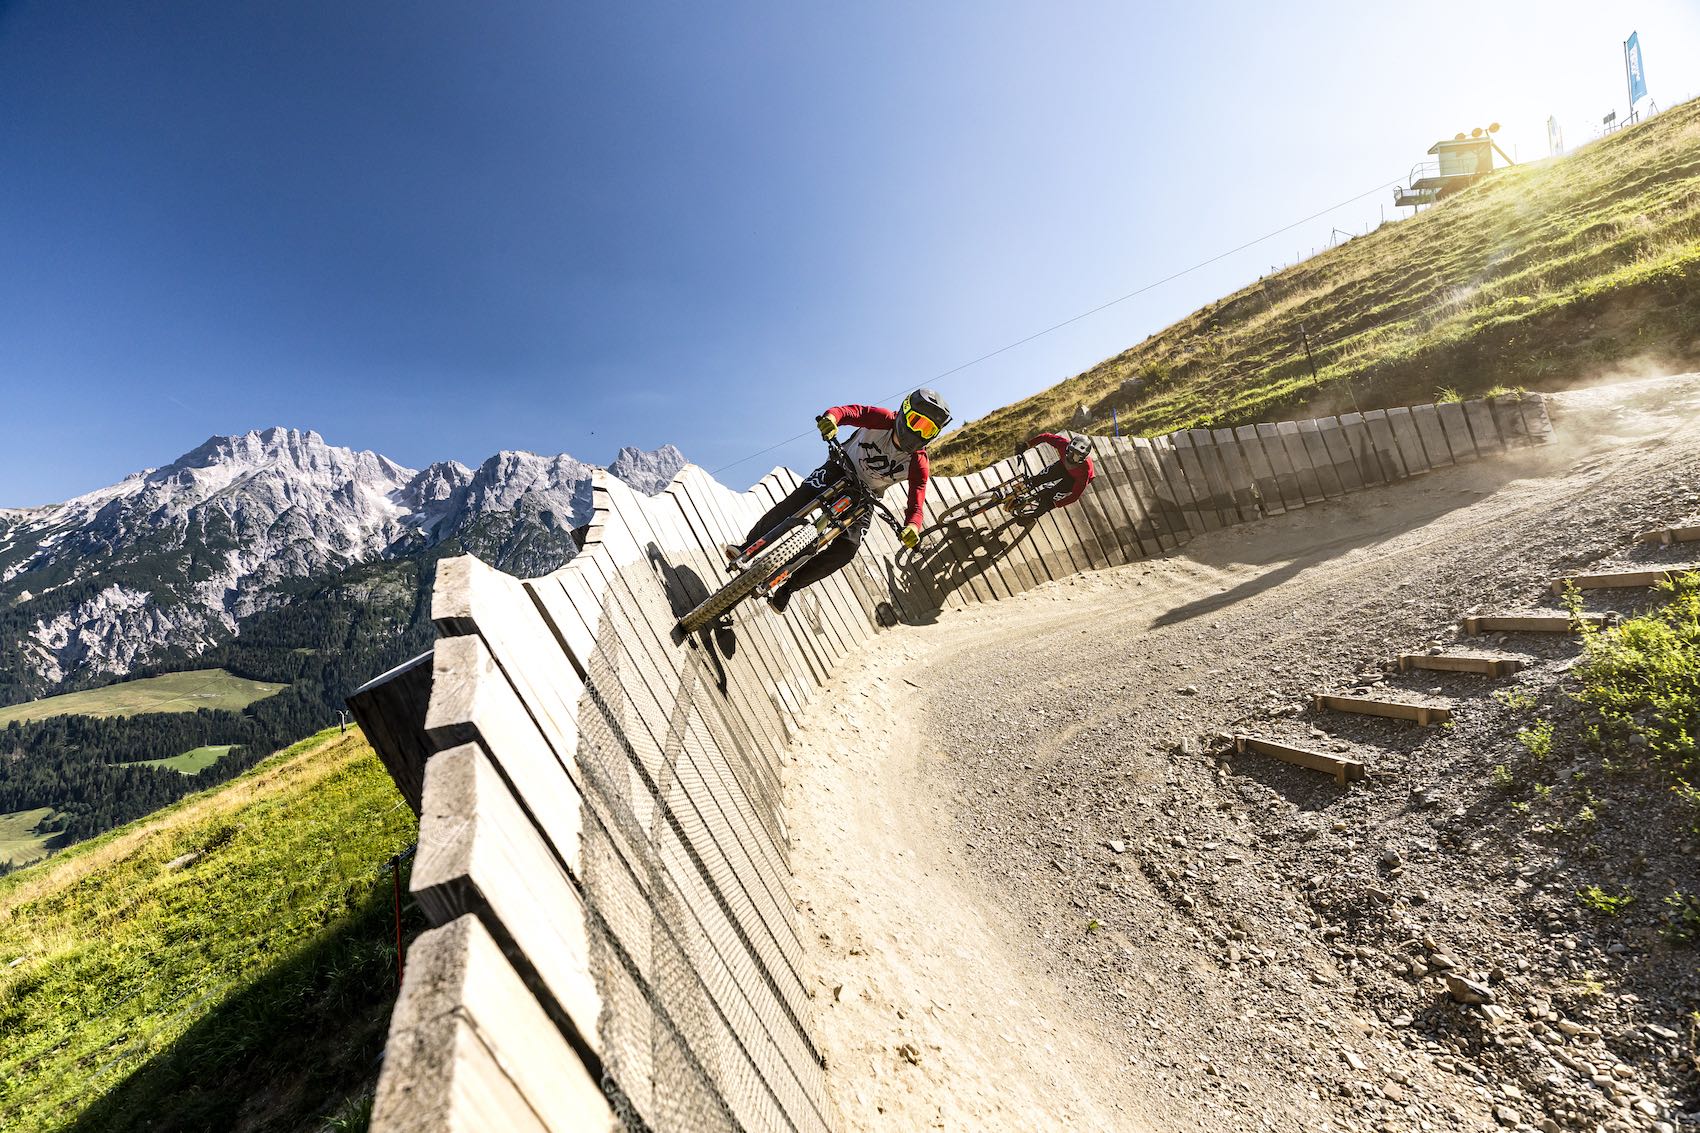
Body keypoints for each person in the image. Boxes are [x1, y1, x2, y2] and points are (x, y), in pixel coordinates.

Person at [732, 389, 951, 613]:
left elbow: (916, 503)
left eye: (928, 429)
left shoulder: (919, 464)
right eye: (916, 422)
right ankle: (746, 547)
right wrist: (831, 419)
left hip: (866, 496)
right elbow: (848, 412)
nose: (918, 432)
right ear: (905, 413)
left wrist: (912, 527)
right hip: (839, 467)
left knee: (847, 549)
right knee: (797, 501)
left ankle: (787, 588)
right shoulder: (883, 419)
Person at [1015, 431, 1095, 513]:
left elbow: (1074, 496)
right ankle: (1015, 490)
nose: (1071, 458)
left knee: (1049, 500)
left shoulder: (1085, 471)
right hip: (1062, 466)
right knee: (1038, 478)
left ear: (1083, 458)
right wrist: (1027, 445)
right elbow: (1046, 436)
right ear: (1067, 447)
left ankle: (1033, 516)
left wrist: (1055, 504)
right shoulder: (1063, 444)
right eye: (1070, 452)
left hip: (1073, 479)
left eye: (1076, 456)